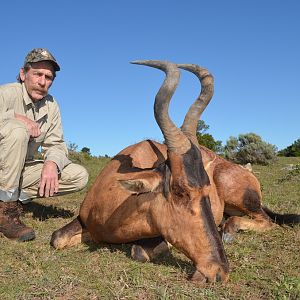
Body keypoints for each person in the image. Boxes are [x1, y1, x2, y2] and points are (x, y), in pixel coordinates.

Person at [0, 48, 89, 242]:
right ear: (23, 74)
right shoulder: (5, 93)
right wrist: (15, 118)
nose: (43, 82)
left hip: (18, 170)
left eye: (49, 77)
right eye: (37, 74)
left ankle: (12, 198)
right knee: (17, 130)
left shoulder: (51, 104)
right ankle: (6, 212)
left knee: (78, 176)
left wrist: (52, 163)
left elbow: (56, 143)